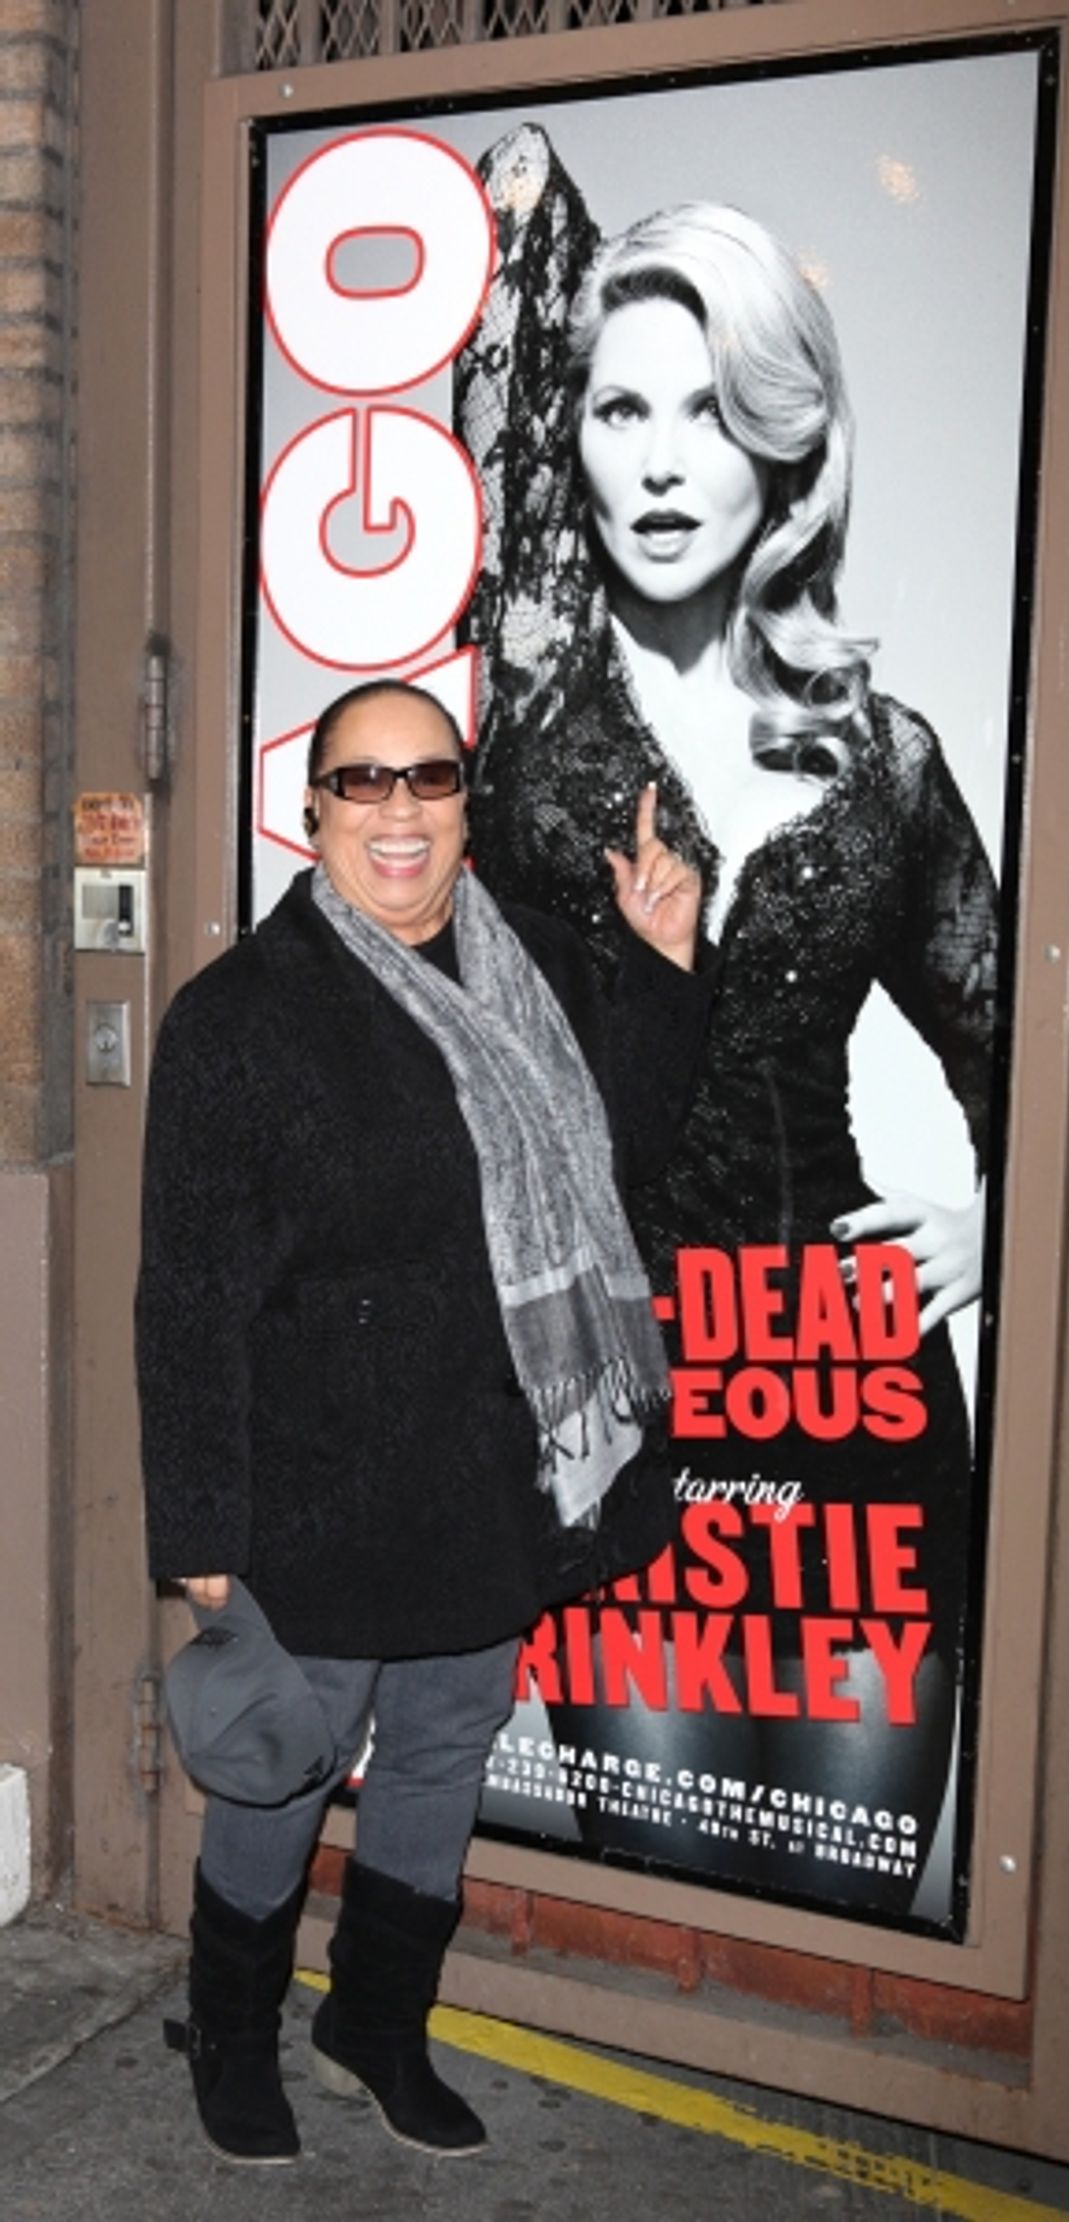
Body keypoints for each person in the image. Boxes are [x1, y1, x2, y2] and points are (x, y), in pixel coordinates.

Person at [459, 125, 998, 1918]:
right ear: (576, 446)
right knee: (672, 1868)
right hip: (625, 1394)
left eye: (714, 406)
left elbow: (1036, 1060)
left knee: (843, 1883)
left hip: (851, 1388)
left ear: (785, 439)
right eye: (622, 410)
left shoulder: (885, 757)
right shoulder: (529, 749)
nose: (667, 459)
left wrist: (992, 1223)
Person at [136, 676, 706, 2165]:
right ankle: (238, 2032)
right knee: (280, 1765)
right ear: (311, 809)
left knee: (447, 1745)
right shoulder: (238, 1017)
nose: (400, 809)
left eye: (429, 779)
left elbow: (625, 1141)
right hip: (317, 1484)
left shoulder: (527, 971)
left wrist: (657, 964)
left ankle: (379, 2020)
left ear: (462, 802)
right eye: (363, 781)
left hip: (483, 1466)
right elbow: (185, 1293)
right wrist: (200, 1527)